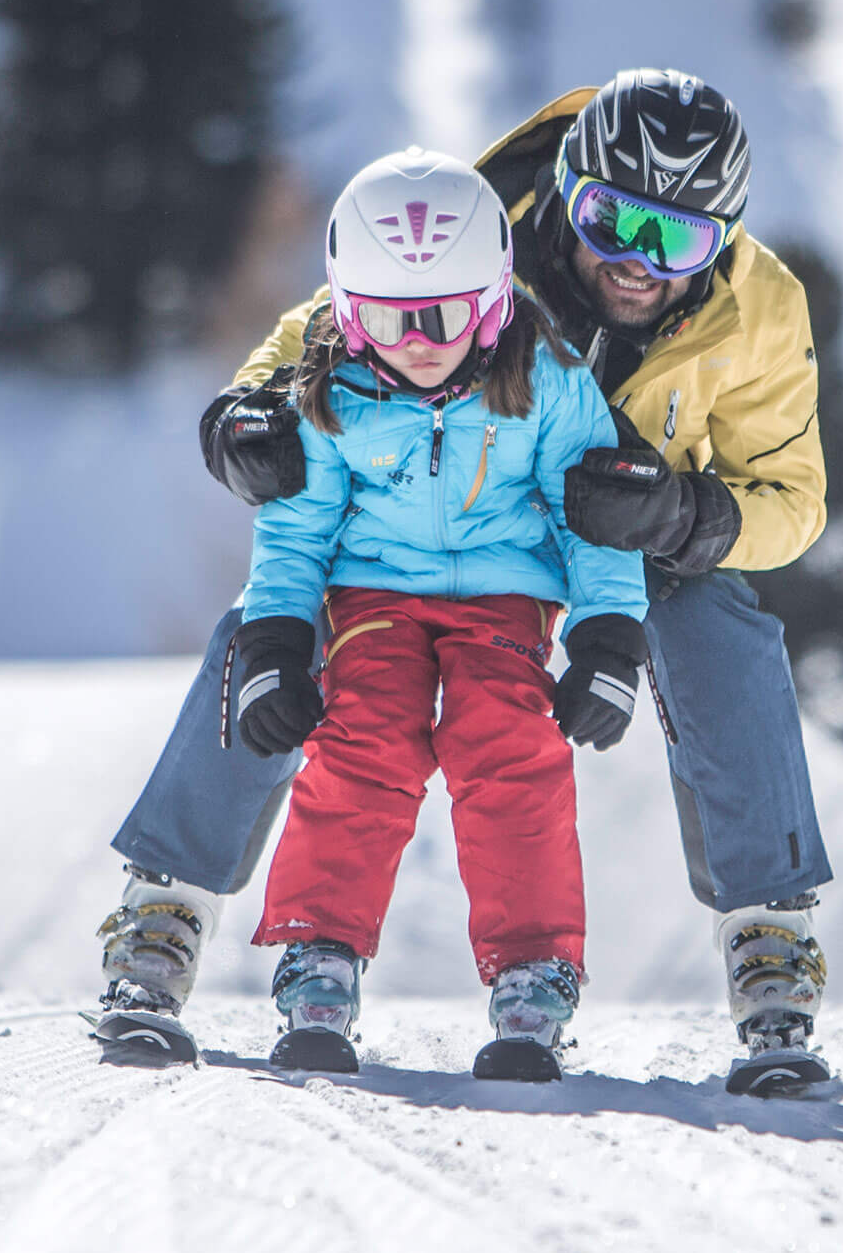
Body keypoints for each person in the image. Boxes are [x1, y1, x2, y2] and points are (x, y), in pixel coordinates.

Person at [99, 70, 835, 1097]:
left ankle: (770, 943)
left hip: (614, 536)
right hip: (413, 535)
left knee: (717, 630)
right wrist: (238, 421)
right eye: (608, 219)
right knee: (276, 627)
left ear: (724, 239)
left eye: (676, 241)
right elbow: (323, 332)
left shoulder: (757, 314)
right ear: (563, 191)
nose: (633, 261)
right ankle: (165, 910)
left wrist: (685, 517)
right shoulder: (467, 235)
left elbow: (795, 501)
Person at [96, 148, 647, 1080]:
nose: (420, 339)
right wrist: (274, 643)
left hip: (502, 602)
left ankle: (531, 968)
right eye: (388, 316)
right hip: (372, 600)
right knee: (364, 736)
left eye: (447, 313)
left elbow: (590, 515)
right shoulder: (326, 390)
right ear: (347, 309)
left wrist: (606, 638)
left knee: (507, 738)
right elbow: (295, 532)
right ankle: (320, 955)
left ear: (496, 299)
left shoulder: (548, 377)